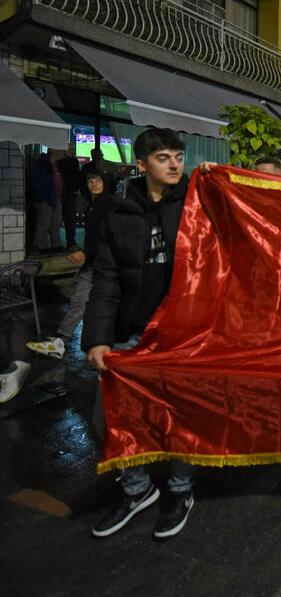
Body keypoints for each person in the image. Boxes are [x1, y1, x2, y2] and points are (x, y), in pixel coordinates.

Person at [83, 127, 198, 540]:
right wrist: (96, 337)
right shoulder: (118, 214)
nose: (174, 164)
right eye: (164, 157)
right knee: (111, 414)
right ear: (141, 164)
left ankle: (180, 489)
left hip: (182, 335)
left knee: (180, 416)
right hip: (131, 333)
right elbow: (106, 280)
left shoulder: (197, 207)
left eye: (178, 157)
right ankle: (136, 489)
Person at [27, 164, 119, 359]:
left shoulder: (109, 205)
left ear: (105, 182)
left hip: (104, 265)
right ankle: (61, 341)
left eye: (98, 180)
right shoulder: (91, 205)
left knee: (98, 304)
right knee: (80, 301)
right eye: (90, 180)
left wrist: (86, 255)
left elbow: (111, 237)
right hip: (94, 264)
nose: (94, 184)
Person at [30, 150, 63, 253]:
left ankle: (55, 245)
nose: (63, 153)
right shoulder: (44, 164)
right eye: (62, 151)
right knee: (44, 224)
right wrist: (43, 197)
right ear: (55, 152)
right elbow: (38, 182)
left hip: (56, 198)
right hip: (47, 199)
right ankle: (42, 247)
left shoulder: (55, 164)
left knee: (56, 223)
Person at [56, 145, 82, 250]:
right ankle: (61, 243)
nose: (72, 151)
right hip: (62, 194)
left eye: (73, 149)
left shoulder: (71, 161)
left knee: (70, 219)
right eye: (70, 149)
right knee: (59, 220)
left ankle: (70, 242)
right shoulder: (62, 161)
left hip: (69, 193)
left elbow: (76, 177)